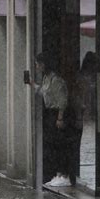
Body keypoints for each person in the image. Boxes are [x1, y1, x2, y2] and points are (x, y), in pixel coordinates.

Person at [30, 53, 72, 187]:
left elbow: (62, 100)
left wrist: (60, 117)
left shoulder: (56, 79)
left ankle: (64, 175)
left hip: (57, 113)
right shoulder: (46, 78)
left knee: (59, 144)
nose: (36, 66)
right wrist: (32, 84)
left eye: (37, 63)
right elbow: (44, 92)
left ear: (43, 64)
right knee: (52, 145)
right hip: (49, 113)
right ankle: (57, 174)